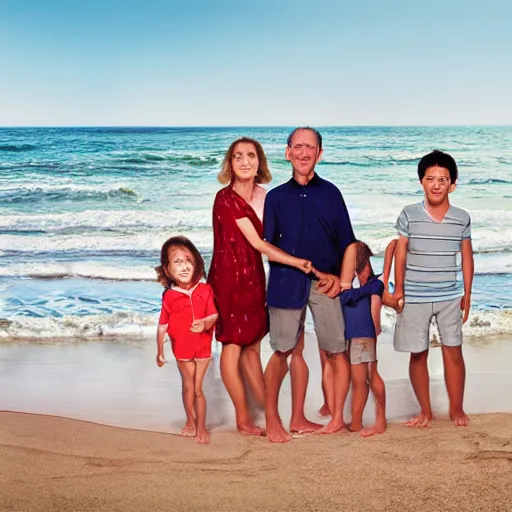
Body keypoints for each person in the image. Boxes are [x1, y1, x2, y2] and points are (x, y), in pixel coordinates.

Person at [208, 137, 312, 437]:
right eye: (237, 156)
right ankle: (243, 417)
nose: (244, 161)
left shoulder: (266, 196)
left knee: (253, 344)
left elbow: (278, 236)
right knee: (232, 344)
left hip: (254, 277)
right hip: (228, 278)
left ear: (259, 162)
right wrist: (295, 262)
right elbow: (257, 242)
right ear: (230, 164)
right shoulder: (224, 198)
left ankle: (267, 413)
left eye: (250, 155)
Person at [263, 127, 357, 443]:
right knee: (282, 351)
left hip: (325, 284)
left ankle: (337, 419)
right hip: (285, 283)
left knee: (336, 351)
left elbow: (349, 243)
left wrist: (343, 282)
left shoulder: (332, 193)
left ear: (320, 153)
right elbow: (267, 247)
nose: (304, 153)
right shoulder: (275, 198)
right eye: (298, 147)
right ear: (288, 152)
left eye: (311, 147)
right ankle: (276, 420)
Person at [394, 150, 474, 428]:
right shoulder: (409, 214)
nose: (437, 185)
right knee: (418, 353)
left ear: (452, 184)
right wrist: (399, 290)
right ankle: (424, 411)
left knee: (453, 350)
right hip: (415, 295)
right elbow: (400, 252)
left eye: (443, 179)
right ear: (421, 181)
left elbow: (467, 257)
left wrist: (468, 293)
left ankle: (457, 408)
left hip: (450, 296)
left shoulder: (461, 218)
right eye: (431, 179)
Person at [155, 236, 218, 445]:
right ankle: (190, 421)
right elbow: (162, 325)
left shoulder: (205, 290)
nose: (184, 267)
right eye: (177, 262)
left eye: (188, 261)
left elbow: (214, 315)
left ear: (197, 263)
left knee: (198, 388)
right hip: (181, 348)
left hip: (203, 347)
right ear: (167, 269)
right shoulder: (169, 296)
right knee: (188, 386)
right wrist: (159, 351)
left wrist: (205, 324)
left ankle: (201, 427)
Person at [340, 241, 390, 437]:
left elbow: (347, 298)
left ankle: (379, 421)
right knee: (359, 380)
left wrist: (350, 290)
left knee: (367, 377)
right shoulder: (363, 287)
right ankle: (357, 422)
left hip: (363, 337)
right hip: (357, 337)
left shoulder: (372, 284)